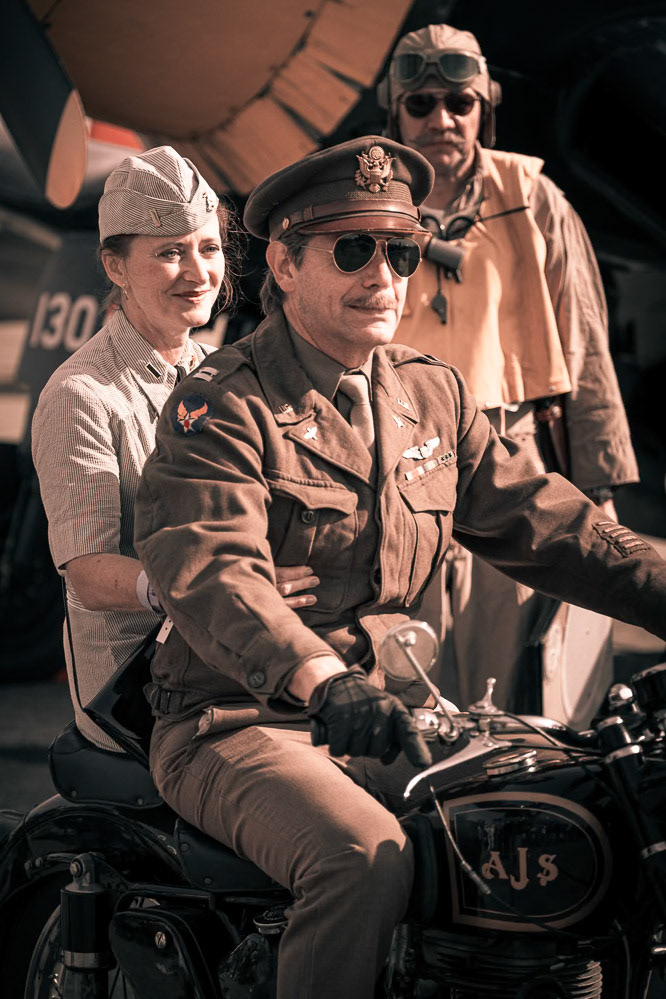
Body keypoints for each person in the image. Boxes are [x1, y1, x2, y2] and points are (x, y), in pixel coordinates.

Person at [133, 134, 666, 999]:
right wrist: (324, 680)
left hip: (397, 712)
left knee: (566, 811)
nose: (383, 274)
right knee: (363, 858)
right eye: (353, 249)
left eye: (403, 251)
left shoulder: (430, 393)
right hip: (238, 720)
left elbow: (549, 523)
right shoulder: (223, 406)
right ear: (285, 264)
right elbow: (213, 569)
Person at [376, 24, 640, 711]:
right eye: (421, 103)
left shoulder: (534, 199)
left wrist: (599, 488)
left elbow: (584, 345)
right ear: (395, 112)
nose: (441, 119)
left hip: (511, 459)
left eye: (459, 104)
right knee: (408, 677)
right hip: (393, 464)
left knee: (503, 682)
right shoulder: (367, 202)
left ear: (484, 108)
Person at [32, 145, 316, 751]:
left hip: (232, 659)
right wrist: (212, 590)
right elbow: (88, 574)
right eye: (169, 253)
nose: (198, 273)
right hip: (137, 696)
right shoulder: (81, 394)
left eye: (208, 249)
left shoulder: (224, 370)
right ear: (115, 266)